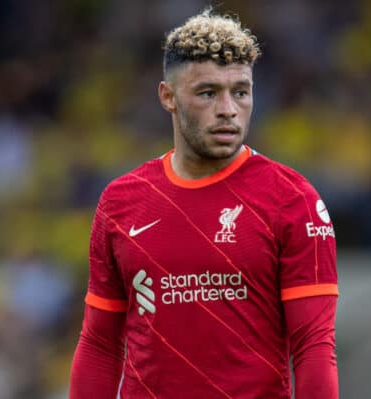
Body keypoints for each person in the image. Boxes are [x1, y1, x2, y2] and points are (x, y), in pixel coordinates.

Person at [70, 9, 339, 399]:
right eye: (208, 93)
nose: (228, 109)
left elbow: (314, 347)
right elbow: (100, 344)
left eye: (241, 92)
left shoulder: (293, 200)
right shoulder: (121, 202)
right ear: (168, 97)